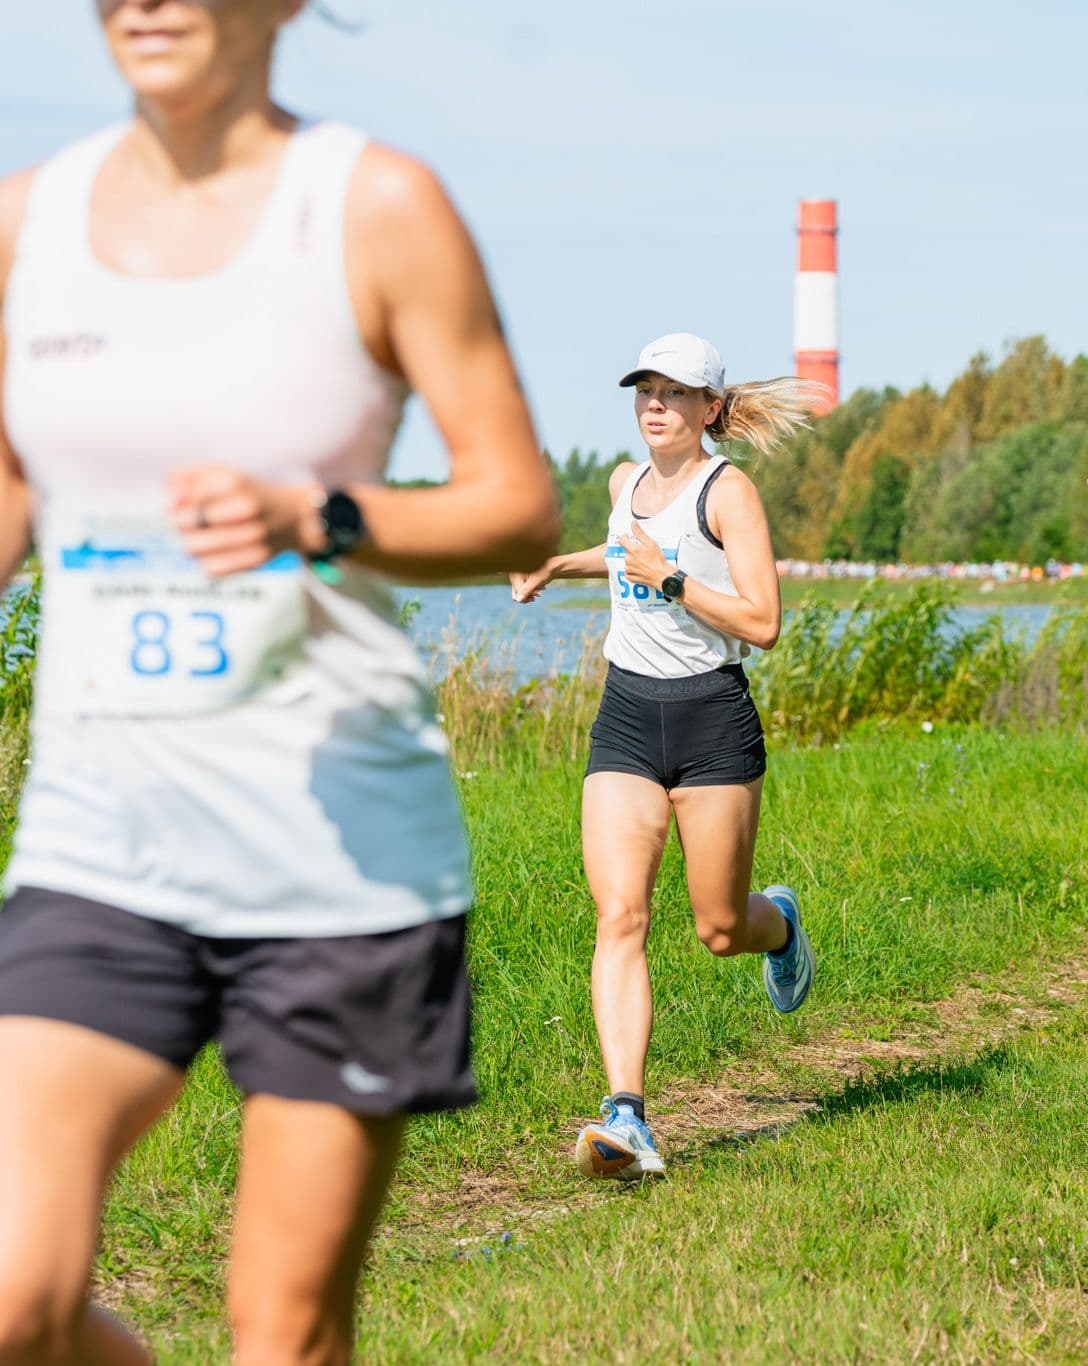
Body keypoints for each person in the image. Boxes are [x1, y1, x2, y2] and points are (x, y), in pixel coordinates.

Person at [0, 3, 561, 1360]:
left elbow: (518, 505)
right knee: (15, 1293)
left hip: (339, 867)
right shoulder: (27, 222)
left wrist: (320, 515)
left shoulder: (375, 209)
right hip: (100, 842)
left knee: (283, 1329)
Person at [510, 333, 819, 1181]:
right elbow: (623, 559)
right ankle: (628, 1114)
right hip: (627, 718)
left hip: (713, 723)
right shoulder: (623, 484)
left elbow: (762, 621)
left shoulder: (730, 493)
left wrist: (672, 577)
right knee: (620, 916)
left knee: (720, 929)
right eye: (646, 388)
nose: (656, 402)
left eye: (676, 392)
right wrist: (556, 564)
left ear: (709, 409)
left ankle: (780, 924)